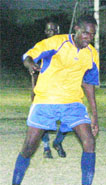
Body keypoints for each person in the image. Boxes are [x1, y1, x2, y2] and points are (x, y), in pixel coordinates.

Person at [1, 15, 99, 185]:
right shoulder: (56, 42)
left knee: (89, 142)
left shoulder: (91, 54)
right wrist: (30, 64)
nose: (89, 37)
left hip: (72, 102)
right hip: (46, 100)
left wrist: (95, 116)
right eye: (86, 33)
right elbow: (28, 56)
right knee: (29, 147)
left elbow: (88, 84)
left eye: (93, 34)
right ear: (77, 29)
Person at [31, 21, 67, 159]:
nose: (51, 32)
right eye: (49, 30)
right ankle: (46, 147)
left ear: (58, 30)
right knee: (43, 120)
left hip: (62, 90)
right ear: (46, 32)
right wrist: (33, 89)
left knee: (68, 120)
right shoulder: (42, 48)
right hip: (45, 91)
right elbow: (34, 71)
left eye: (54, 29)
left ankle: (57, 142)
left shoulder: (66, 47)